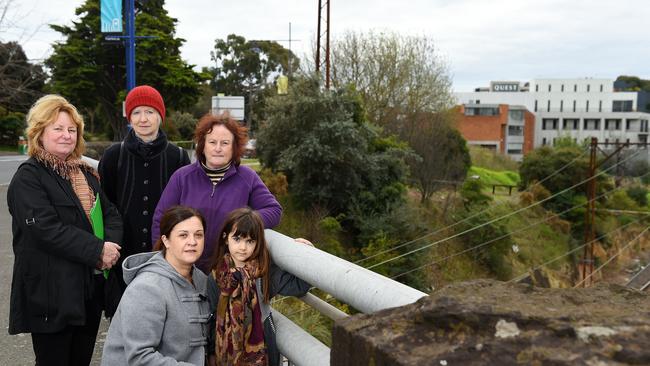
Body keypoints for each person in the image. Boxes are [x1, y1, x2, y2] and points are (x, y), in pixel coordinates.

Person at [7, 94, 123, 366]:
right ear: (40, 133)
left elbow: (111, 214)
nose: (66, 135)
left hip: (87, 292)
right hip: (51, 296)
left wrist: (111, 248)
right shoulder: (28, 177)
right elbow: (46, 229)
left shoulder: (84, 173)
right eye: (57, 128)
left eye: (72, 129)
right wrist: (98, 250)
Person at [98, 85, 190, 315]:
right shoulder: (113, 156)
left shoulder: (178, 156)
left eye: (150, 112)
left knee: (163, 319)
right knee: (123, 322)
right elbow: (103, 205)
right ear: (129, 117)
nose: (143, 119)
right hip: (121, 257)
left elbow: (185, 209)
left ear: (160, 115)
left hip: (165, 257)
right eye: (136, 112)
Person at [152, 112, 282, 272]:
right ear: (203, 145)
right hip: (184, 269)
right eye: (212, 142)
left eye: (225, 143)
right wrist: (164, 260)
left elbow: (274, 211)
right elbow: (160, 220)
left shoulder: (247, 177)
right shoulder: (182, 177)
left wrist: (243, 224)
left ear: (234, 147)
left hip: (228, 271)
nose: (218, 148)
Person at [101, 206, 217, 365]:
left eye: (199, 235)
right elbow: (140, 358)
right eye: (183, 235)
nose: (192, 242)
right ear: (166, 240)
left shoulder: (202, 280)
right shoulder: (146, 288)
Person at [209, 207, 311, 366]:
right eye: (237, 239)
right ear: (225, 238)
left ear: (257, 243)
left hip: (263, 348)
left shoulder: (263, 273)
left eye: (250, 241)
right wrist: (210, 352)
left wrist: (302, 254)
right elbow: (211, 315)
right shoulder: (216, 276)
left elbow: (300, 286)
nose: (243, 247)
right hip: (225, 353)